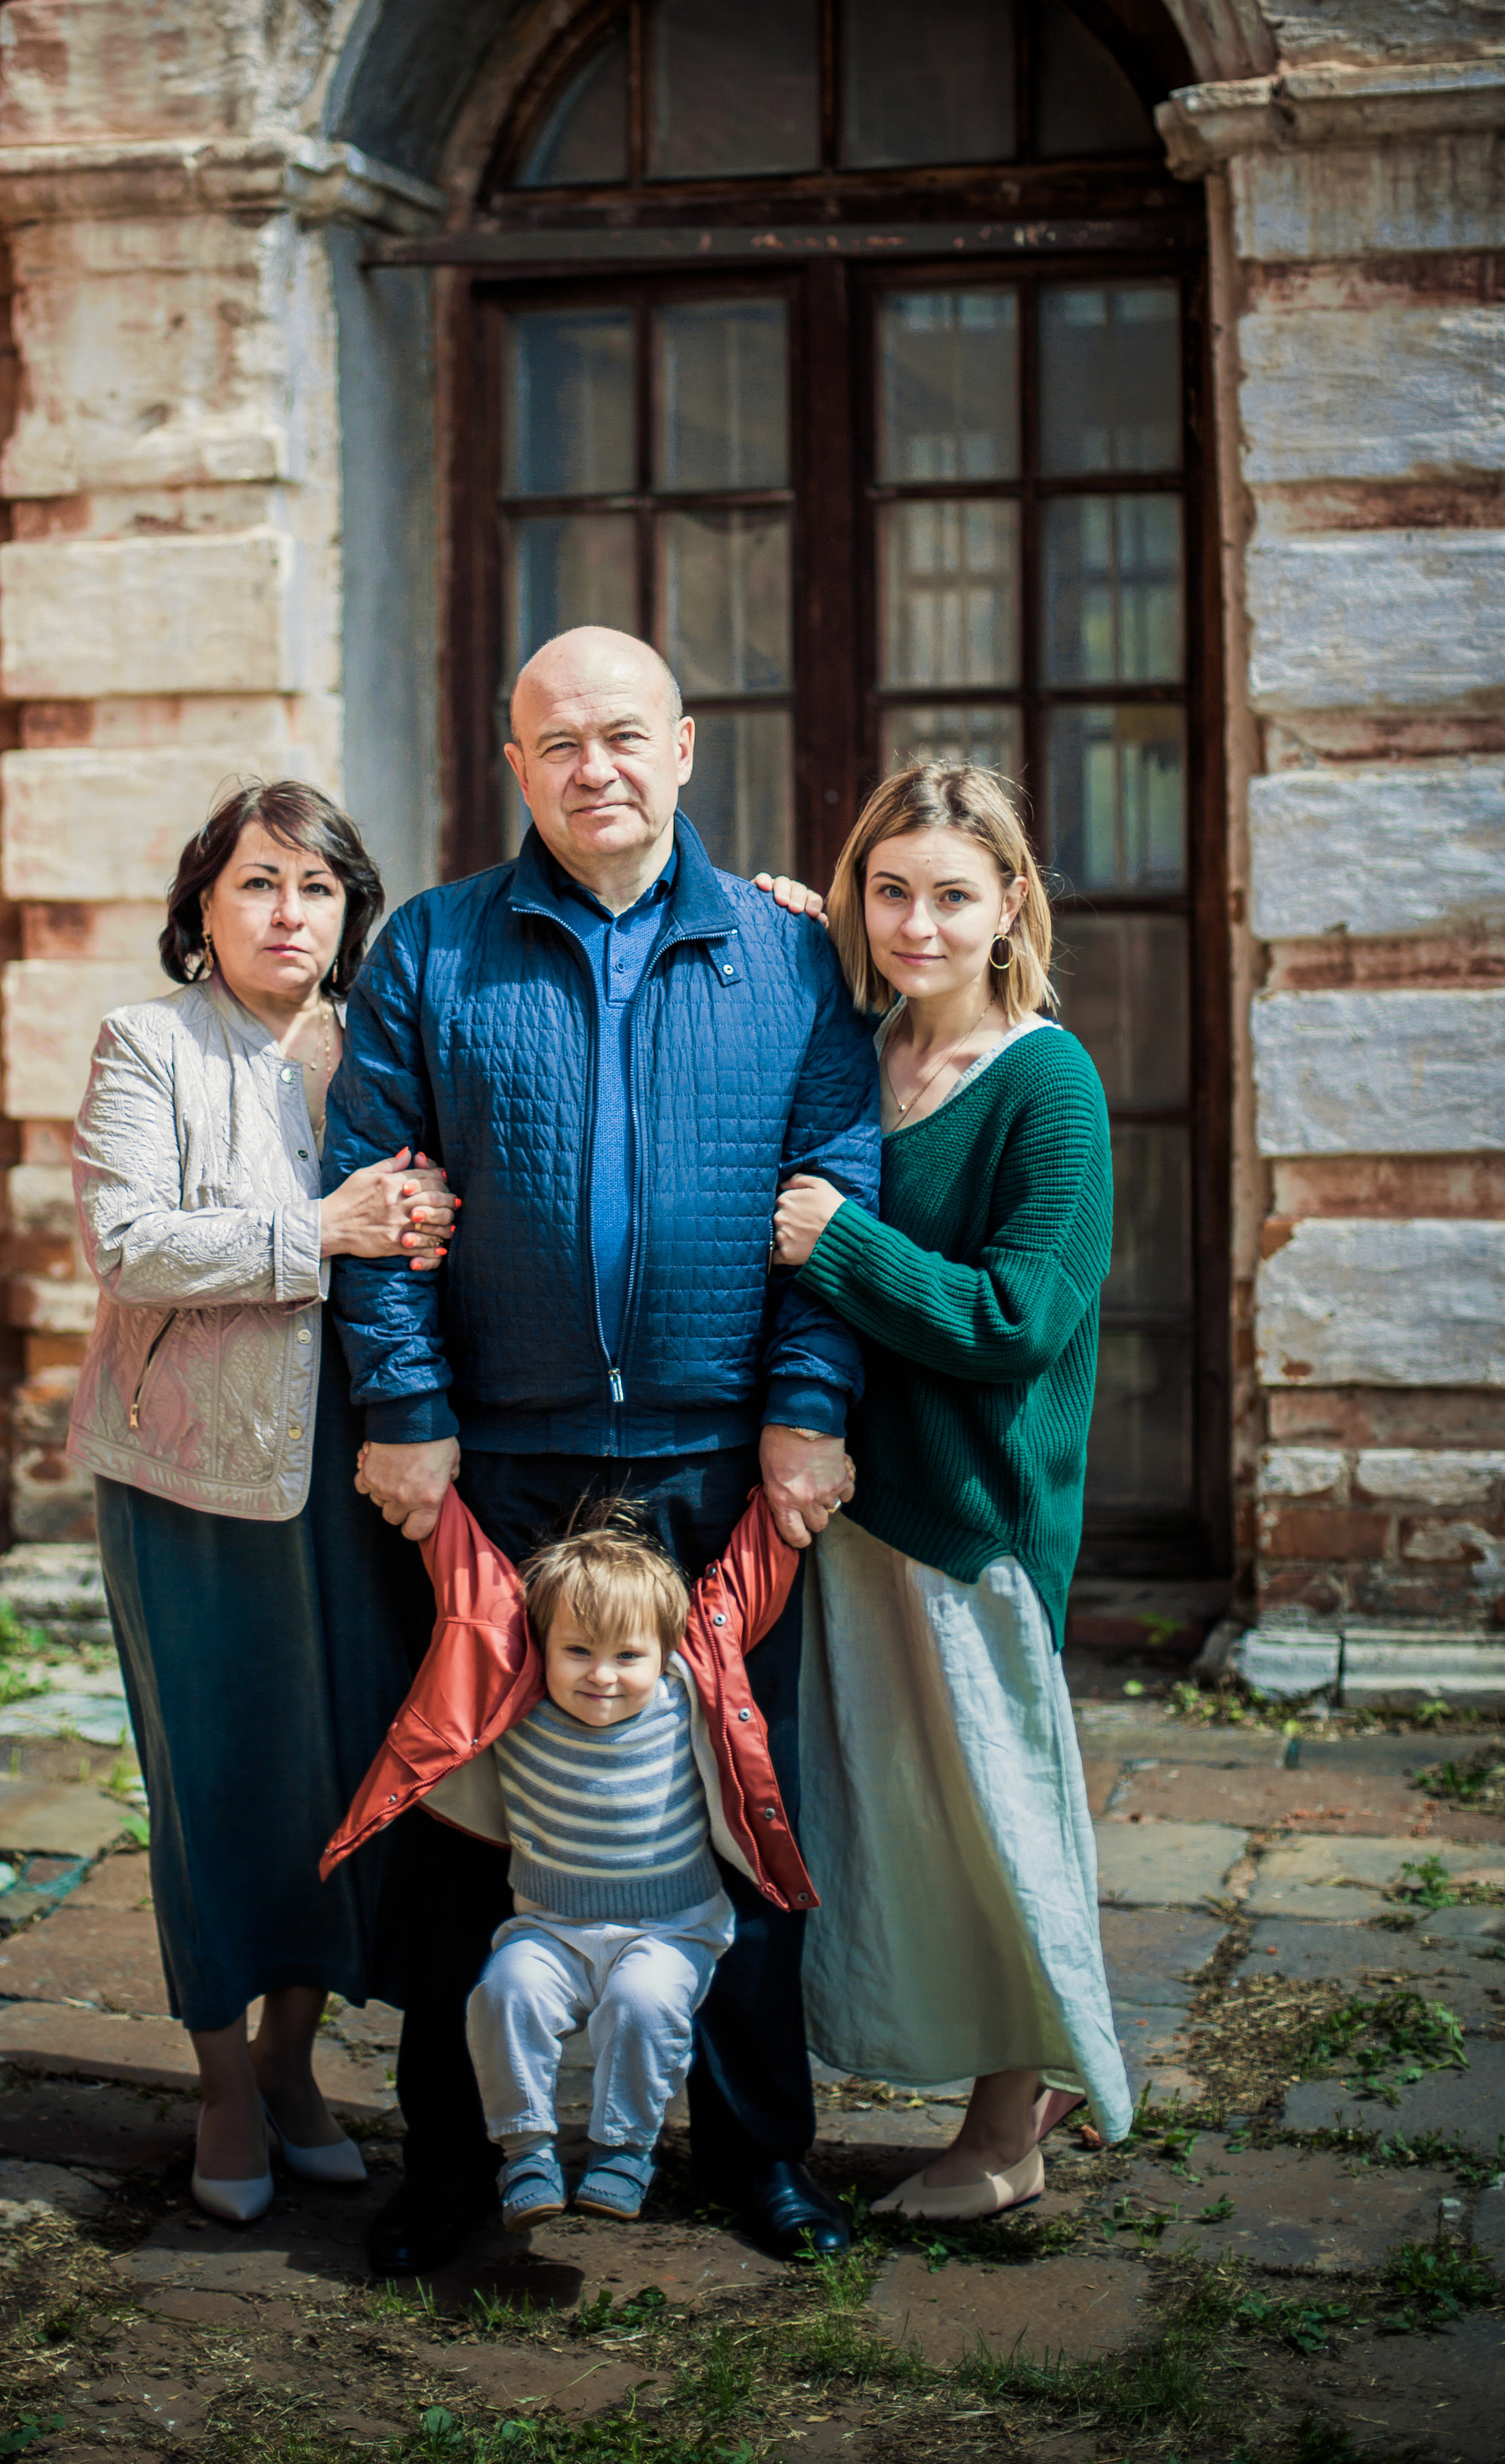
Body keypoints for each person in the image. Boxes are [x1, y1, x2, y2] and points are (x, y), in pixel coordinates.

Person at [326, 624, 881, 2275]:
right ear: (515, 768)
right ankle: (448, 2165)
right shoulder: (432, 952)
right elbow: (377, 1206)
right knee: (458, 1809)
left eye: (624, 736)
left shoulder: (793, 962)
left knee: (733, 1805)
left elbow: (835, 1195)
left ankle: (754, 2155)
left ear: (685, 749)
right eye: (559, 743)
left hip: (718, 1456)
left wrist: (807, 1408)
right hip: (498, 1460)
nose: (596, 769)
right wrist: (406, 1415)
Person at [65, 779, 458, 2225]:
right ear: (203, 908)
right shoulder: (149, 1046)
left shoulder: (387, 1045)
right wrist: (327, 1227)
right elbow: (129, 1245)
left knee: (343, 1776)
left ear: (353, 912)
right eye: (256, 884)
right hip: (195, 1479)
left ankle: (297, 2065)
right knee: (218, 1782)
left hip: (365, 1474)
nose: (287, 914)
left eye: (317, 887)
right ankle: (223, 2080)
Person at [765, 759, 1132, 2217]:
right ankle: (990, 2088)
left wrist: (840, 1245)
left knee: (1001, 1821)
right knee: (906, 1819)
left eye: (953, 895)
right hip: (859, 1512)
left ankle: (1008, 2135)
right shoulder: (861, 1049)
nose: (919, 923)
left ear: (1011, 906)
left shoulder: (1049, 1081)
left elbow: (1019, 1319)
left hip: (975, 1518)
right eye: (891, 890)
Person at [322, 1502, 811, 2233]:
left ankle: (623, 2152)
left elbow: (746, 1588)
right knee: (501, 1997)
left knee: (642, 2007)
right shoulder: (515, 1696)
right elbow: (469, 1587)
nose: (603, 1677)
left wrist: (784, 1506)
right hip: (548, 1929)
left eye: (627, 1657)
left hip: (671, 1930)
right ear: (541, 1645)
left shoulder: (685, 1686)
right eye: (578, 1651)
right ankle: (526, 2152)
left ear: (666, 1648)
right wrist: (434, 1501)